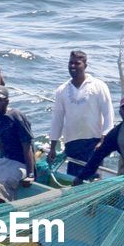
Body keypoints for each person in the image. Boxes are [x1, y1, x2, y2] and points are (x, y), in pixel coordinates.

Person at [47, 50, 114, 178]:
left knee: (92, 180)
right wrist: (52, 147)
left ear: (85, 66)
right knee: (74, 180)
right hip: (72, 144)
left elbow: (108, 114)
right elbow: (57, 119)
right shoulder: (62, 90)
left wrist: (103, 140)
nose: (73, 66)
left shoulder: (99, 86)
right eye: (70, 63)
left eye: (77, 63)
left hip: (94, 143)